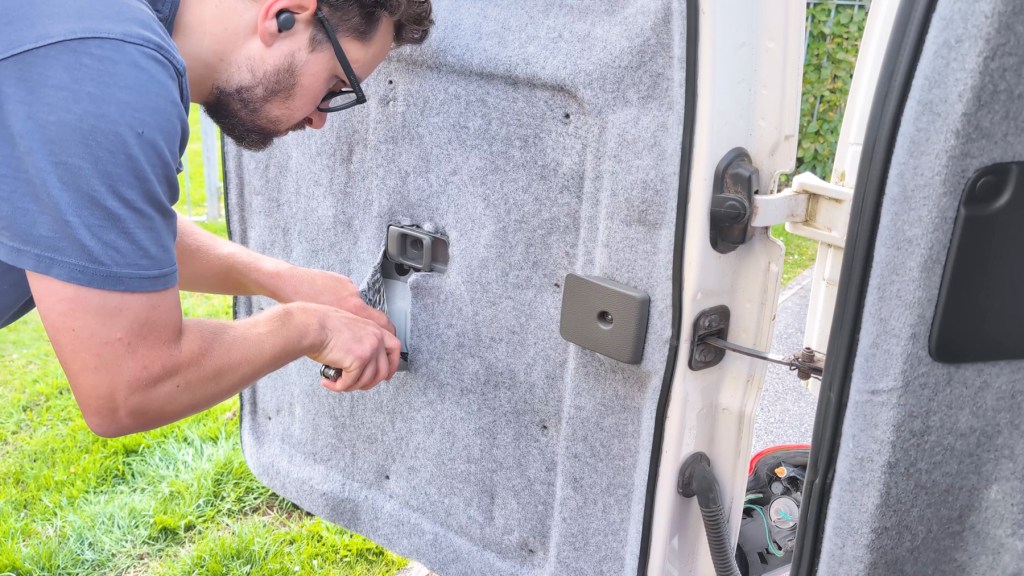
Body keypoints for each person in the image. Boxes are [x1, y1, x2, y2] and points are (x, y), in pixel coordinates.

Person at [0, 0, 434, 437]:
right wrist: (310, 328)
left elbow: (101, 226)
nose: (319, 118)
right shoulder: (110, 66)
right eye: (335, 84)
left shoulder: (92, 29)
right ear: (285, 13)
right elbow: (129, 387)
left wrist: (278, 278)